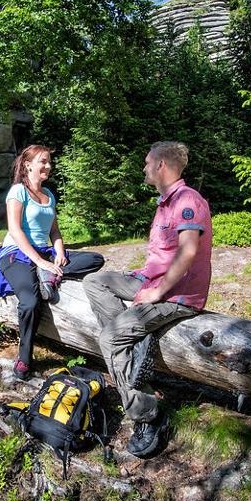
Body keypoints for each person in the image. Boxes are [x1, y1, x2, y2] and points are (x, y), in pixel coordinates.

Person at [83, 141, 212, 458]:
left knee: (110, 337)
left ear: (162, 166)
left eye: (147, 162)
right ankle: (134, 343)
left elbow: (188, 251)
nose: (144, 168)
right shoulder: (165, 202)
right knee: (94, 281)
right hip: (151, 281)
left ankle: (149, 414)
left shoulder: (188, 201)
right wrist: (145, 280)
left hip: (177, 294)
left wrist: (156, 292)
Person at [0, 144, 104, 380]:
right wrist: (38, 261)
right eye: (43, 161)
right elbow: (14, 230)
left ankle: (46, 275)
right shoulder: (18, 191)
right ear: (28, 164)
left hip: (44, 253)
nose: (48, 166)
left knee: (95, 259)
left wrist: (59, 253)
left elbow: (54, 231)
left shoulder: (49, 195)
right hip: (17, 253)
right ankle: (24, 357)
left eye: (49, 162)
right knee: (30, 301)